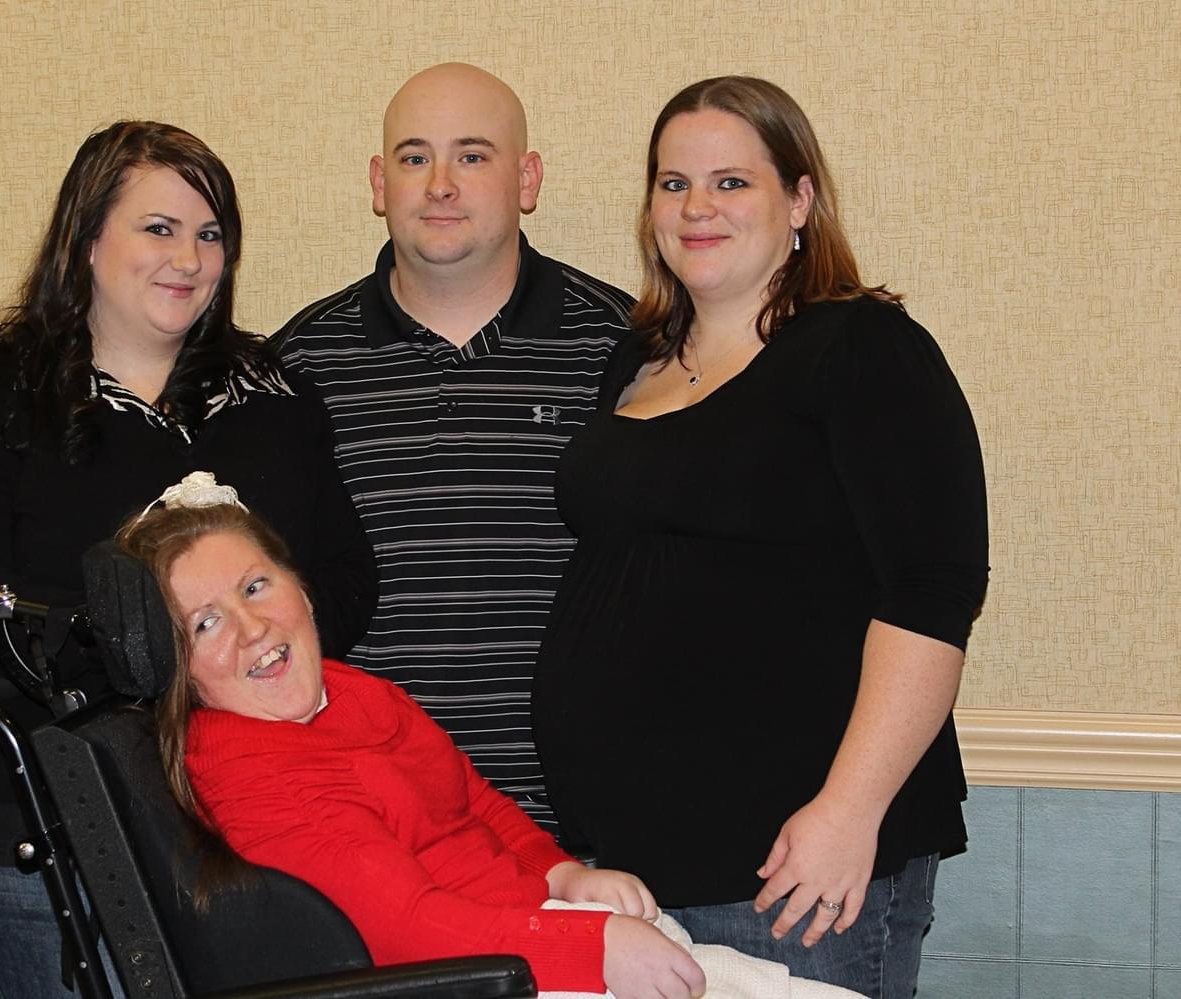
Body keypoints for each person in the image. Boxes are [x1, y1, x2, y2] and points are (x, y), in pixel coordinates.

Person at [531, 76, 990, 999]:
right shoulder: (638, 358)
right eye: (673, 183)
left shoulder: (861, 347)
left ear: (800, 199)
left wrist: (846, 814)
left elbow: (934, 588)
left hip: (791, 870)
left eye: (732, 182)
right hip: (638, 869)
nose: (697, 207)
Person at [0, 121, 376, 997]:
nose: (188, 258)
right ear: (85, 242)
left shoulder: (276, 397)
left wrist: (250, 642)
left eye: (210, 234)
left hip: (252, 820)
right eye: (159, 228)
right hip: (48, 829)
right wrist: (139, 638)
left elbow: (346, 583)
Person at [114, 481, 864, 999]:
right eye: (204, 623)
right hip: (478, 976)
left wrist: (561, 875)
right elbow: (401, 928)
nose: (252, 629)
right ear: (179, 665)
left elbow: (470, 800)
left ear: (300, 588)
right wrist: (590, 947)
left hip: (529, 933)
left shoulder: (348, 689)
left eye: (255, 586)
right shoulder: (250, 764)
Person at [272, 63, 631, 833]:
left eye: (472, 155)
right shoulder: (293, 370)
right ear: (379, 183)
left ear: (527, 178)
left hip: (586, 823)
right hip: (373, 823)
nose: (440, 183)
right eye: (413, 157)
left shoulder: (629, 350)